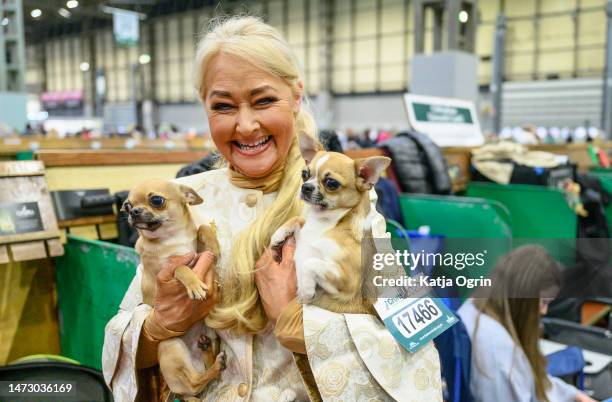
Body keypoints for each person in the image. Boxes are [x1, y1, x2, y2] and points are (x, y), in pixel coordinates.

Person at [102, 16, 442, 402]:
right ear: (205, 108)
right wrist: (159, 326)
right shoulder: (181, 200)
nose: (246, 126)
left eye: (264, 101)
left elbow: (413, 338)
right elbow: (126, 330)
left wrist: (293, 321)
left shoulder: (352, 202)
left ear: (296, 96)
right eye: (223, 106)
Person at [458, 245, 598, 402]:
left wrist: (574, 395)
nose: (544, 311)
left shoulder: (474, 306)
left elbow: (530, 378)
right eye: (543, 302)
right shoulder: (498, 350)